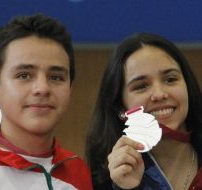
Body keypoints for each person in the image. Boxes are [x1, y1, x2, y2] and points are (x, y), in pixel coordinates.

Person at [0, 14, 93, 190]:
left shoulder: (78, 171)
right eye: (23, 75)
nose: (42, 88)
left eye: (56, 77)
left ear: (70, 88)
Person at [85, 33, 202, 190]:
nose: (160, 94)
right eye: (141, 86)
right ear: (120, 107)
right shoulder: (102, 180)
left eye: (170, 79)